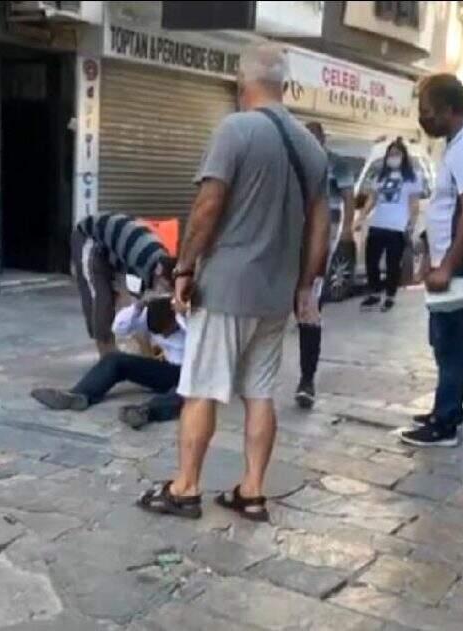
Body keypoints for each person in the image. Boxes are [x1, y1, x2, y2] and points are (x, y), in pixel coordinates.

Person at [137, 44, 329, 521]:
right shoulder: (310, 146)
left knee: (201, 389)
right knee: (260, 392)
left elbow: (207, 206)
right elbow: (320, 230)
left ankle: (184, 488)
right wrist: (304, 285)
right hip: (274, 295)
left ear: (242, 82)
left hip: (225, 288)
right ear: (283, 84)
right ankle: (252, 491)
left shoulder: (236, 129)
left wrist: (184, 269)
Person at [399, 74, 463, 448]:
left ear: (449, 109)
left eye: (427, 111)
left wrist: (448, 264)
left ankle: (445, 422)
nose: (423, 118)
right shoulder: (460, 144)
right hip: (456, 260)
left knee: (450, 343)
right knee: (447, 342)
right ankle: (444, 409)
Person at [31, 297, 185, 430]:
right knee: (115, 359)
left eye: (168, 330)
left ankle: (146, 412)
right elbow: (119, 327)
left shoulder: (189, 320)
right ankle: (79, 396)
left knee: (188, 391)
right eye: (160, 333)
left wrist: (182, 314)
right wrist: (138, 307)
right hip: (169, 371)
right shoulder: (155, 314)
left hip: (197, 374)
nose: (164, 336)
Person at [295, 122, 355, 409]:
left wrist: (347, 229)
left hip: (322, 240)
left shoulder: (337, 163)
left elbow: (348, 198)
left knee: (310, 309)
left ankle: (307, 379)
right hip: (291, 240)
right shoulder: (293, 160)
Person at [71, 213, 175, 357]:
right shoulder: (142, 260)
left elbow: (139, 305)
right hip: (90, 239)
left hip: (116, 252)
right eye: (164, 288)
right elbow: (140, 304)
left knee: (133, 306)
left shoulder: (159, 265)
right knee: (101, 301)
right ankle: (106, 356)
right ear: (160, 275)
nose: (163, 292)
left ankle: (146, 354)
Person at [358, 138, 421, 312]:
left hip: (398, 226)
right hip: (378, 223)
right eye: (391, 154)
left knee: (393, 264)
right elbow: (372, 198)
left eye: (397, 154)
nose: (393, 157)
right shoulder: (381, 176)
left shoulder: (412, 178)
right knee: (372, 261)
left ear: (403, 156)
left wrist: (411, 224)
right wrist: (362, 217)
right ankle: (375, 292)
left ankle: (390, 296)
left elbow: (414, 203)